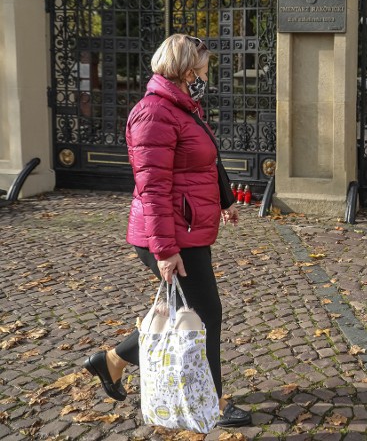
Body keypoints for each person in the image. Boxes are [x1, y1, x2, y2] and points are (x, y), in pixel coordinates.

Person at [83, 33, 251, 428]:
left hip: (186, 229)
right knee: (206, 314)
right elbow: (153, 187)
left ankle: (111, 361)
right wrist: (164, 250)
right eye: (203, 70)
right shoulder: (153, 114)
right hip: (170, 234)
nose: (205, 77)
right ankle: (215, 403)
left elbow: (205, 160)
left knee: (186, 311)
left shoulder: (181, 107)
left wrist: (225, 199)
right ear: (187, 70)